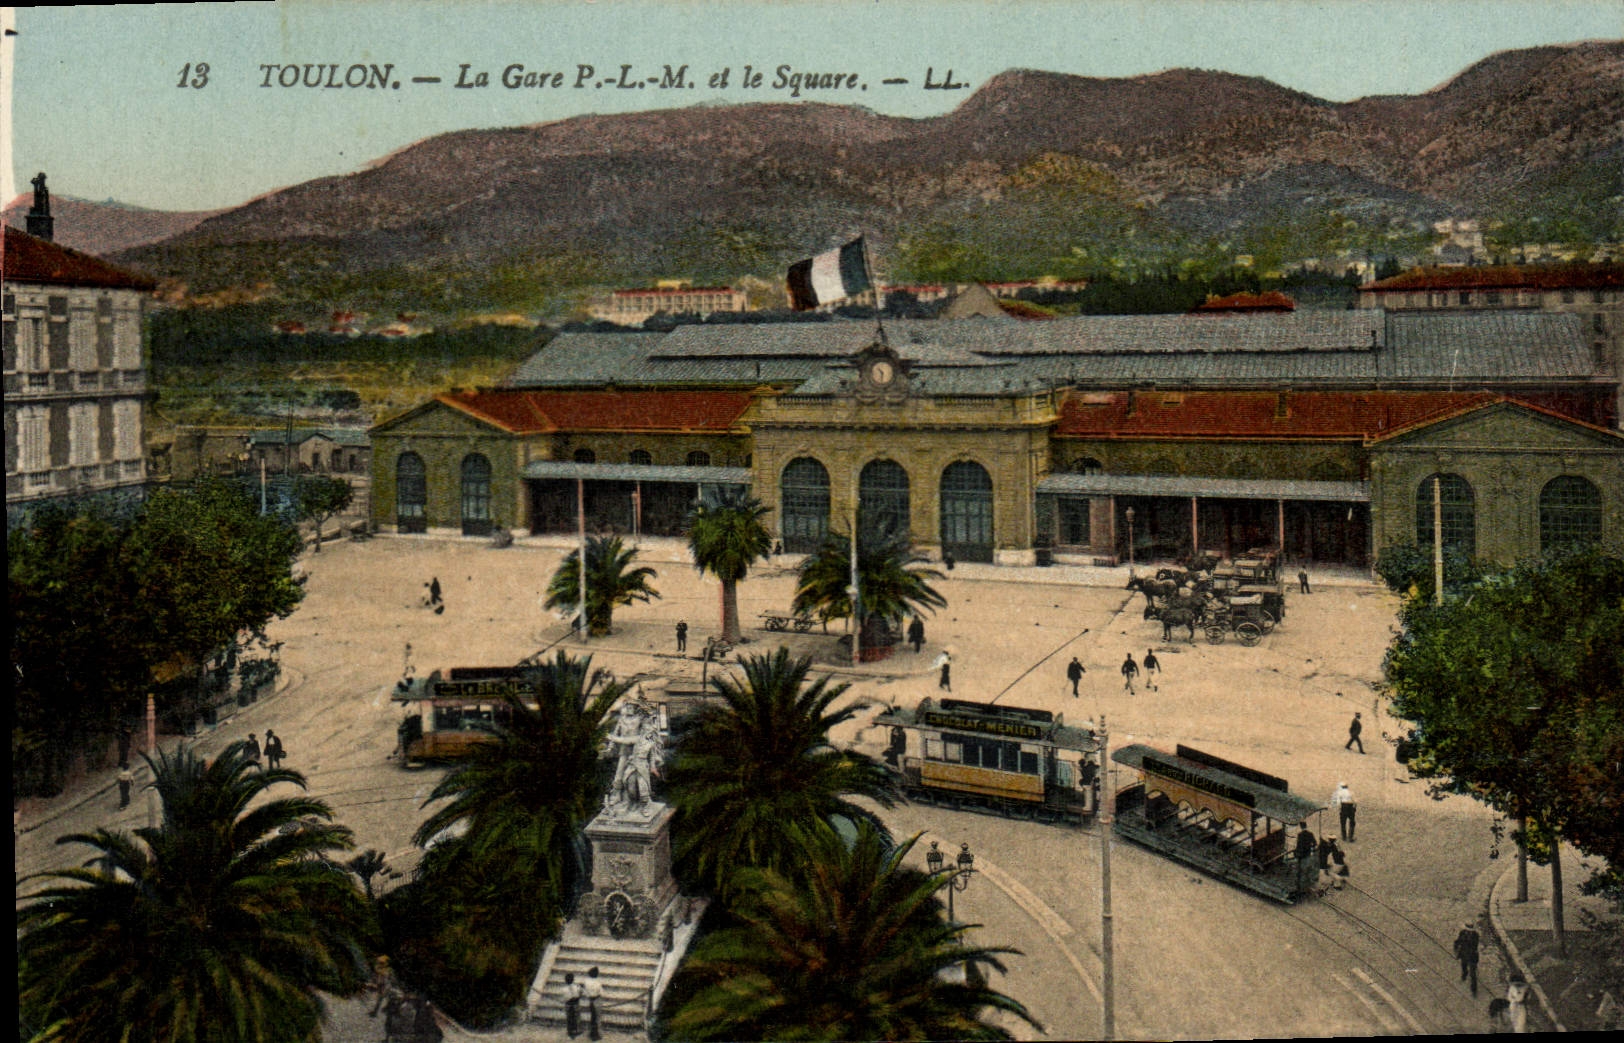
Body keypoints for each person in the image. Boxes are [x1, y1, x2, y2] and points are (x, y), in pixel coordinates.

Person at [1454, 922, 1481, 997]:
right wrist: (1456, 949)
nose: (1469, 932)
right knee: (1464, 967)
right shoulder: (1462, 933)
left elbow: (1474, 946)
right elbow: (1458, 941)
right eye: (1468, 930)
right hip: (1464, 955)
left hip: (1472, 956)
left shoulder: (1475, 935)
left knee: (1473, 974)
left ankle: (1474, 990)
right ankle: (1464, 975)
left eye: (1470, 930)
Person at [1294, 828, 1318, 895]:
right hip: (1308, 854)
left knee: (1300, 870)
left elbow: (1298, 845)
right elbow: (1315, 843)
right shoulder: (1310, 834)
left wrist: (1296, 853)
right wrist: (1310, 847)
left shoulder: (1300, 835)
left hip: (1301, 855)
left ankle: (1300, 888)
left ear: (1301, 827)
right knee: (1307, 869)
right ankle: (1308, 883)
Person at [584, 966, 604, 1041]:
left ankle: (592, 1032)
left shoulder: (586, 982)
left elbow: (585, 992)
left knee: (592, 1016)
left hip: (590, 999)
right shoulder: (598, 982)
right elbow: (602, 993)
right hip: (597, 999)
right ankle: (597, 1034)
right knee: (597, 1017)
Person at [563, 971, 583, 1038]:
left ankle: (570, 1030)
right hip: (575, 1003)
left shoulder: (564, 989)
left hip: (568, 1004)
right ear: (573, 979)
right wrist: (579, 996)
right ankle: (577, 1030)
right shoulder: (577, 986)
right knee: (577, 1017)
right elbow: (581, 992)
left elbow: (564, 998)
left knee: (569, 1017)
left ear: (565, 981)